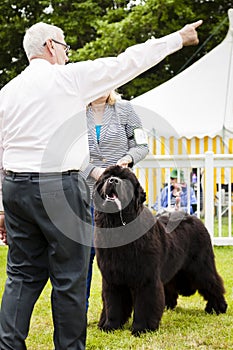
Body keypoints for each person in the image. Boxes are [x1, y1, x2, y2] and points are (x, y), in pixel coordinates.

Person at [0, 19, 202, 349]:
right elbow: (128, 61)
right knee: (69, 276)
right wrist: (177, 39)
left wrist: (0, 206)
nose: (67, 54)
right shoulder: (69, 79)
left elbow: (0, 150)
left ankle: (8, 345)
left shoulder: (7, 92)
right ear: (52, 46)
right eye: (65, 47)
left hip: (15, 188)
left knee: (21, 275)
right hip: (59, 189)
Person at [82, 90, 149, 311]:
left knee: (128, 253)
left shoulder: (125, 109)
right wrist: (94, 171)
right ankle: (78, 310)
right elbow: (68, 152)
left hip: (122, 200)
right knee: (84, 256)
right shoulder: (75, 112)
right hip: (84, 194)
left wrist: (128, 159)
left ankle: (125, 307)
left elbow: (142, 145)